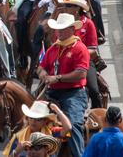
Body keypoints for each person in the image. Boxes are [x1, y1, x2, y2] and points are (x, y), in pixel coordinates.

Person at [37, 13, 89, 157]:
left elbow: (81, 74)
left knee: (73, 124)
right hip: (52, 92)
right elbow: (41, 67)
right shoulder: (54, 48)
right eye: (57, 29)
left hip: (73, 94)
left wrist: (57, 78)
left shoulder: (80, 48)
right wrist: (42, 74)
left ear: (73, 29)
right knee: (32, 118)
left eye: (63, 29)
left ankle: (79, 154)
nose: (58, 32)